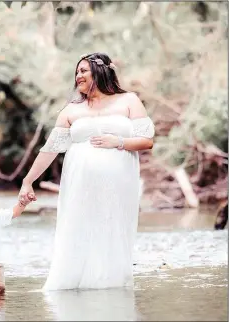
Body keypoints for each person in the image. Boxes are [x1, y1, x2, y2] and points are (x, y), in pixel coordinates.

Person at [18, 52, 155, 290]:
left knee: (111, 227)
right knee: (80, 228)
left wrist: (118, 142)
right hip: (80, 183)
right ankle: (76, 287)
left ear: (100, 71)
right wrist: (27, 181)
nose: (77, 76)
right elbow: (50, 150)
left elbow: (147, 140)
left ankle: (110, 285)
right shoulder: (71, 109)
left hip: (119, 183)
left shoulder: (129, 100)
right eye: (76, 72)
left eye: (83, 71)